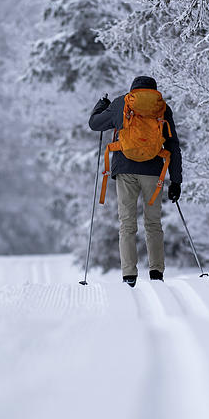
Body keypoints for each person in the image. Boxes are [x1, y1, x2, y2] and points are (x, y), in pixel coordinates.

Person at [89, 75, 182, 286]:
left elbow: (94, 124)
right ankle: (156, 272)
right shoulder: (162, 108)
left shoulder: (122, 103)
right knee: (153, 223)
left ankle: (129, 274)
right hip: (153, 171)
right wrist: (176, 181)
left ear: (133, 90)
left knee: (127, 223)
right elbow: (173, 145)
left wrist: (100, 106)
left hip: (125, 170)